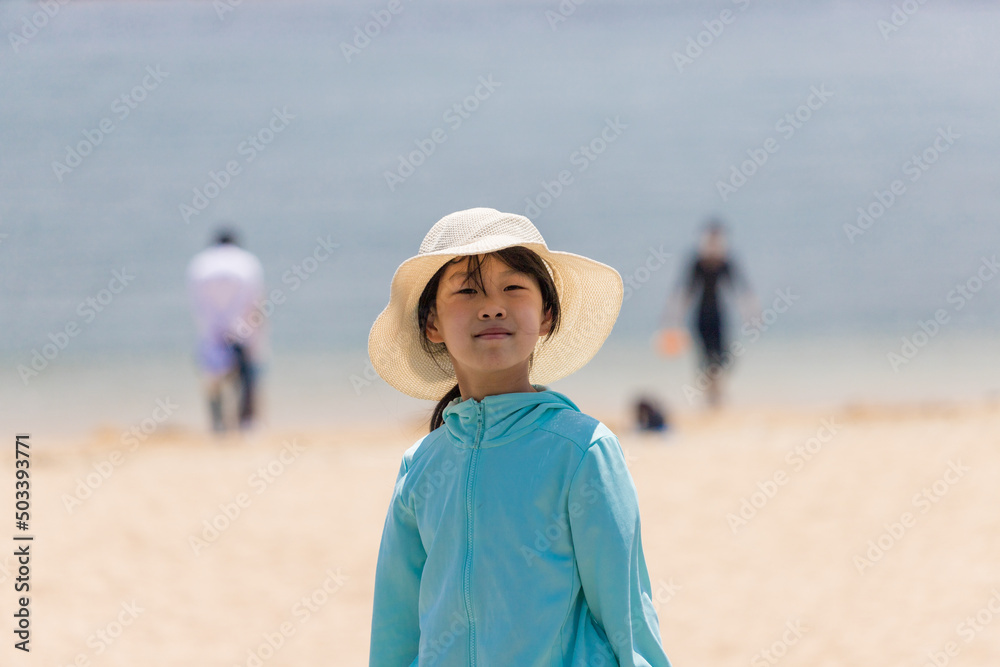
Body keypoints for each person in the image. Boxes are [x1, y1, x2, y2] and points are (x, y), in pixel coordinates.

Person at [367, 207, 671, 666]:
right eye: (466, 291)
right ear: (432, 324)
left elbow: (628, 621)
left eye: (513, 287)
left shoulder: (582, 451)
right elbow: (396, 629)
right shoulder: (421, 466)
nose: (492, 305)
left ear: (546, 314)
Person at [662, 220, 755, 408]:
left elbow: (741, 290)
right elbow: (686, 291)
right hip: (701, 317)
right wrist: (674, 318)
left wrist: (751, 314)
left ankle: (716, 391)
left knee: (724, 357)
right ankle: (711, 397)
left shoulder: (725, 262)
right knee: (704, 357)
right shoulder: (697, 263)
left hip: (719, 316)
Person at [186, 227, 267, 433]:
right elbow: (255, 302)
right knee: (247, 377)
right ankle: (246, 424)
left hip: (212, 329)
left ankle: (218, 425)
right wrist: (259, 335)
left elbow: (197, 303)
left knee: (213, 380)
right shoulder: (246, 262)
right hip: (242, 328)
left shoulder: (200, 264)